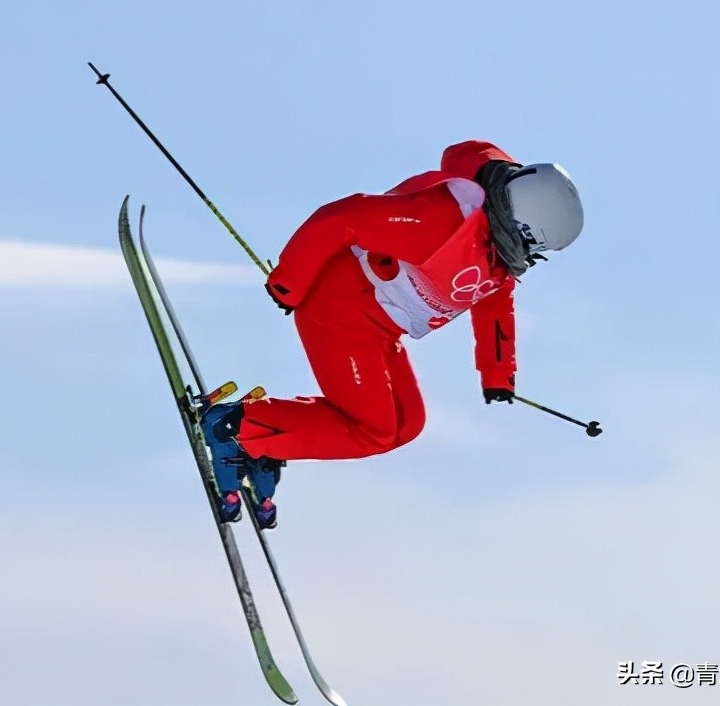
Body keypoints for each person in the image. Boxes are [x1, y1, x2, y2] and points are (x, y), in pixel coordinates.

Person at [200, 140, 584, 528]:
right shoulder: (444, 221)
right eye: (534, 245)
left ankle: (271, 438)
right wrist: (290, 281)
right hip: (340, 311)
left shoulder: (495, 258)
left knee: (406, 422)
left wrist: (497, 375)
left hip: (379, 329)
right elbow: (345, 217)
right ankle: (236, 428)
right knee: (374, 429)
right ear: (522, 226)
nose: (531, 256)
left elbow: (495, 306)